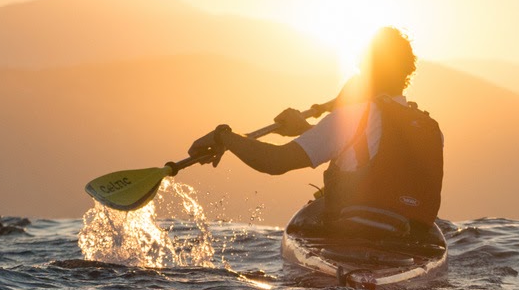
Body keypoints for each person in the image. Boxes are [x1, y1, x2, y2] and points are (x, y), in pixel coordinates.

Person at [190, 27, 444, 242]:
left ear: (364, 69)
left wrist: (225, 137)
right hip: (413, 239)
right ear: (407, 73)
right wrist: (303, 129)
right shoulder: (429, 127)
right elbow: (369, 154)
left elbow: (275, 162)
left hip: (357, 236)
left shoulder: (356, 116)